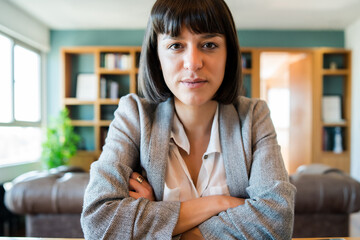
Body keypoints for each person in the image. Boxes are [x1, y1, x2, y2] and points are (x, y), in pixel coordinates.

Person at [81, 0, 296, 239]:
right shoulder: (134, 115)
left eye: (209, 44)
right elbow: (99, 222)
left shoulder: (254, 116)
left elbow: (277, 222)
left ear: (229, 54)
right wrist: (220, 203)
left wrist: (161, 223)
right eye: (175, 46)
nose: (193, 62)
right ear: (157, 56)